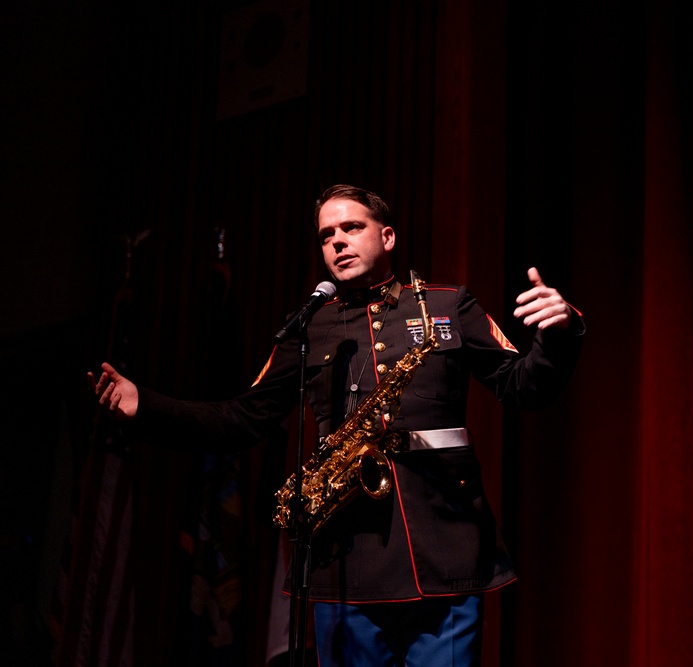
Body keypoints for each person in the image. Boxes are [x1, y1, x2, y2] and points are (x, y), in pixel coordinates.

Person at [90, 184, 584, 666]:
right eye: (327, 235)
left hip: (444, 549)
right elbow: (242, 419)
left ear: (386, 237)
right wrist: (145, 406)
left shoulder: (447, 306)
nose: (338, 242)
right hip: (346, 556)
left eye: (351, 227)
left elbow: (524, 387)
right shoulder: (309, 327)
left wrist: (560, 334)